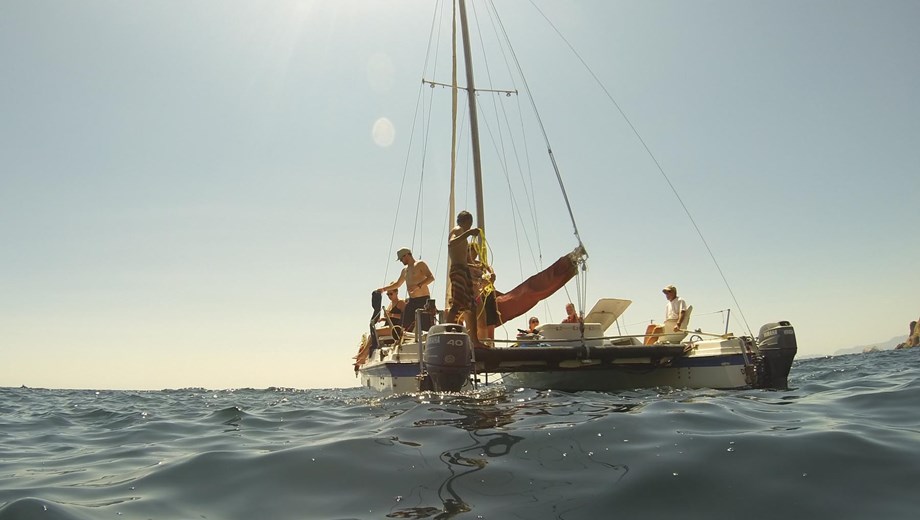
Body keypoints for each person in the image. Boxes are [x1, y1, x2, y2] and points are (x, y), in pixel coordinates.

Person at [377, 247, 434, 332]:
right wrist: (384, 289)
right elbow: (398, 284)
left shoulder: (420, 264)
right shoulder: (405, 270)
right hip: (412, 301)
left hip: (423, 300)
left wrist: (418, 286)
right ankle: (401, 341)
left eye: (401, 259)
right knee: (404, 324)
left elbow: (431, 278)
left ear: (407, 255)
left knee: (425, 325)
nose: (401, 261)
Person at [445, 211, 482, 342]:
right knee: (457, 304)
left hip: (464, 271)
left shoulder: (463, 237)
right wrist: (469, 233)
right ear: (468, 222)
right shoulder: (458, 230)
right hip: (458, 271)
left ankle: (475, 340)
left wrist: (478, 267)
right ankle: (447, 334)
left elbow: (466, 259)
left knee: (471, 305)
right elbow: (451, 243)